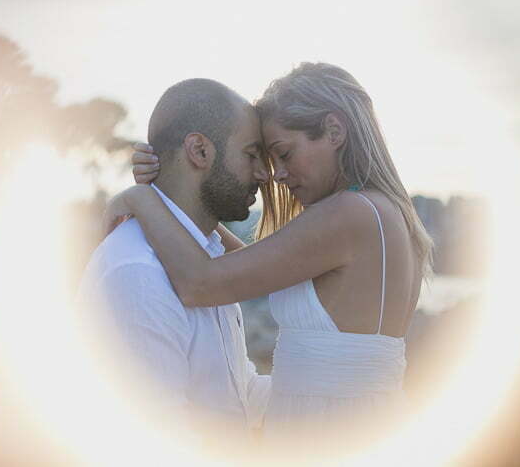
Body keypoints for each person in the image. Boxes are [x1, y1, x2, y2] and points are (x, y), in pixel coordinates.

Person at [107, 62, 433, 443]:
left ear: (333, 131)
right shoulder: (377, 210)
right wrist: (176, 198)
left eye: (284, 153)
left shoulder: (349, 214)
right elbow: (252, 264)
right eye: (264, 158)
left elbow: (200, 283)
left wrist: (143, 199)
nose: (276, 174)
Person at [78, 78, 271, 445]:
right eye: (251, 154)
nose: (263, 173)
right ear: (199, 150)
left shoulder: (208, 257)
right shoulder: (138, 272)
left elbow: (238, 393)